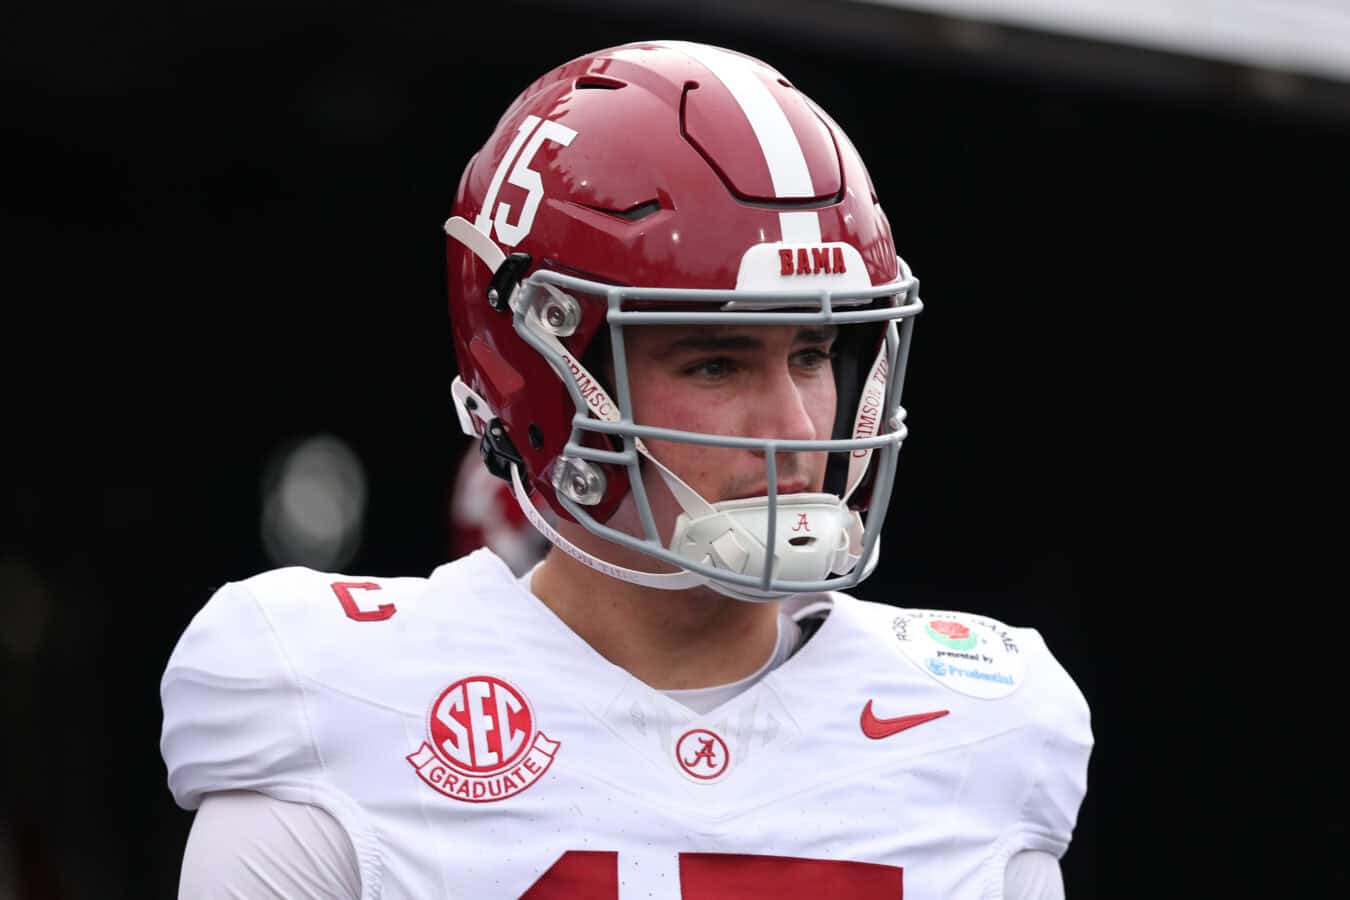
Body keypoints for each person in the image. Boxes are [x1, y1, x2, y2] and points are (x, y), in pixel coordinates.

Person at [160, 39, 1091, 898]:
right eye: (715, 363)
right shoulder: (334, 701)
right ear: (540, 377)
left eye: (812, 353)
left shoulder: (983, 729)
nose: (798, 427)